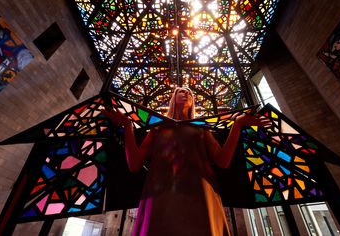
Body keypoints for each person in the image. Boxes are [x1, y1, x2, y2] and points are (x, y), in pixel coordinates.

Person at [102, 87, 269, 236]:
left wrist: (237, 125)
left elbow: (223, 161)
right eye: (181, 91)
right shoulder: (158, 128)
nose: (186, 93)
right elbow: (134, 164)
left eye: (189, 93)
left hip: (200, 196)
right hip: (161, 196)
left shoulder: (201, 128)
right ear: (173, 98)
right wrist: (127, 126)